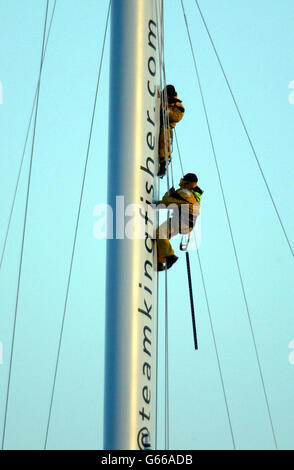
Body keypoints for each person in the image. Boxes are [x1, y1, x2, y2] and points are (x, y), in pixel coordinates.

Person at [156, 173, 203, 271]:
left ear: (187, 182)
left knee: (160, 233)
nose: (181, 181)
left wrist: (168, 193)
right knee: (163, 235)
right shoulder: (192, 194)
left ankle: (170, 256)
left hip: (182, 221)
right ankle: (160, 260)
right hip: (184, 221)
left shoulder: (185, 193)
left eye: (183, 180)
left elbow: (166, 202)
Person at [158, 85, 185, 177]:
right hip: (157, 125)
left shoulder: (177, 104)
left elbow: (176, 117)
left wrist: (165, 111)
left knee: (164, 141)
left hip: (166, 127)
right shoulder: (159, 99)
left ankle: (163, 164)